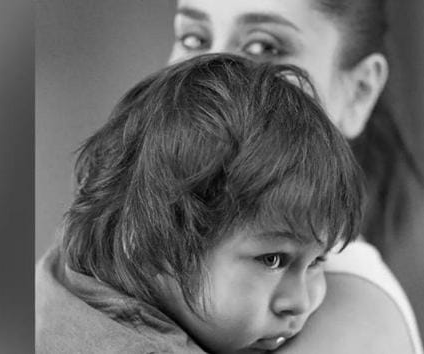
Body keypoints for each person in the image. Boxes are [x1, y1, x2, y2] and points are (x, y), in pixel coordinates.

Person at [36, 54, 365, 353]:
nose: (300, 302)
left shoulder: (61, 273)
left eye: (318, 260)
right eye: (273, 259)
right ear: (152, 240)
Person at [168, 0, 424, 353]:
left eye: (263, 47)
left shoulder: (349, 321)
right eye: (194, 39)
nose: (208, 78)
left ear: (359, 91)